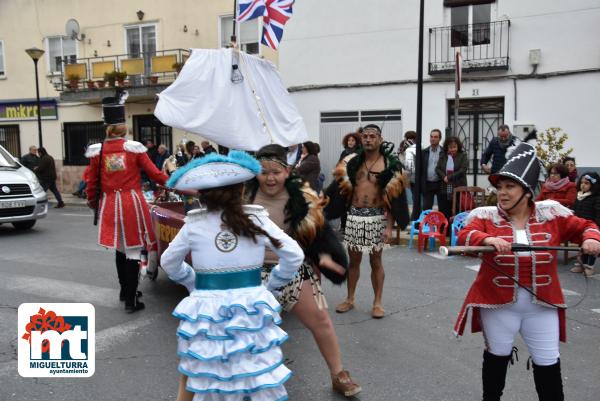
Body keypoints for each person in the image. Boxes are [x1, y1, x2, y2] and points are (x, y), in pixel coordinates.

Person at [453, 143, 600, 401]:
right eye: (499, 187)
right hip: (498, 306)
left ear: (527, 191)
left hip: (542, 306)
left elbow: (587, 226)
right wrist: (487, 240)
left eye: (510, 187)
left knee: (548, 366)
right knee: (495, 367)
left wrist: (591, 240)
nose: (502, 193)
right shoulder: (486, 217)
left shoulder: (551, 215)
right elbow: (464, 235)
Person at [160, 150, 304, 401]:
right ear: (240, 191)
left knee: (198, 371)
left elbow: (168, 262)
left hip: (205, 310)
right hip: (252, 309)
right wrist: (272, 285)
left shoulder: (194, 223)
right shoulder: (257, 218)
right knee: (254, 374)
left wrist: (193, 284)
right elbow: (294, 254)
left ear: (203, 195)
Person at [246, 144, 362, 397]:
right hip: (251, 274)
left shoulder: (303, 199)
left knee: (321, 320)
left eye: (276, 171)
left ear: (287, 171)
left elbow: (317, 236)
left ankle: (338, 374)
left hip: (290, 270)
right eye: (263, 172)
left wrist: (324, 259)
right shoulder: (243, 197)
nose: (270, 177)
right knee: (245, 330)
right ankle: (243, 380)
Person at [86, 93, 168, 313]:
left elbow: (91, 184)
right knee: (132, 249)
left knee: (120, 249)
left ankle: (125, 290)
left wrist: (94, 204)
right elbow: (155, 174)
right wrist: (175, 182)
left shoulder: (98, 151)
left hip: (110, 204)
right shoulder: (134, 148)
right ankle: (132, 300)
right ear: (123, 127)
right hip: (132, 203)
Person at [333, 124, 407, 318]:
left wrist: (389, 226)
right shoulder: (352, 163)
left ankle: (377, 302)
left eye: (372, 136)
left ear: (380, 139)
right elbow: (341, 189)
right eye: (365, 136)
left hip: (376, 217)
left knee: (376, 261)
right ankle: (349, 299)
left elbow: (392, 198)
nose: (368, 139)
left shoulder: (389, 165)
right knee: (353, 261)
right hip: (354, 216)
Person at [570, 172, 600, 276]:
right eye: (582, 182)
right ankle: (581, 264)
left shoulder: (596, 198)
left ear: (593, 185)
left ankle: (589, 266)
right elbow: (574, 209)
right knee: (581, 246)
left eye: (586, 183)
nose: (583, 185)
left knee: (591, 249)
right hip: (581, 226)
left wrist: (597, 226)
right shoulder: (579, 196)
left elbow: (598, 213)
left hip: (592, 228)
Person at [435, 136, 468, 220]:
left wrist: (449, 177)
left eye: (454, 147)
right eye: (450, 147)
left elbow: (462, 170)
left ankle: (456, 231)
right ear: (447, 147)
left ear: (458, 146)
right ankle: (445, 230)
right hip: (444, 188)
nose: (452, 149)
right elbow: (437, 168)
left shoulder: (463, 155)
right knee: (444, 211)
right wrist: (444, 177)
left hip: (458, 188)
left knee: (457, 211)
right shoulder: (443, 156)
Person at [421, 129, 444, 216]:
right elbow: (421, 169)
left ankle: (442, 227)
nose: (433, 139)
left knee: (442, 208)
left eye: (435, 137)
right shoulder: (424, 152)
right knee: (426, 208)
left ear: (440, 139)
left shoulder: (444, 152)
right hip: (428, 184)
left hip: (440, 183)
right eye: (431, 136)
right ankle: (426, 227)